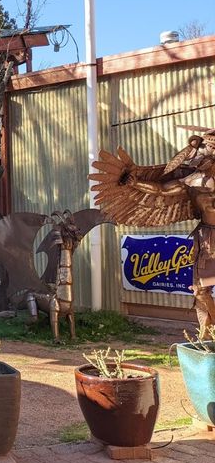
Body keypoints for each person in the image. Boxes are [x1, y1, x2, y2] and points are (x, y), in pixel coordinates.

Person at [91, 130, 215, 333]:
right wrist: (135, 182)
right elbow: (162, 189)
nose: (200, 155)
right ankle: (207, 332)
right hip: (206, 237)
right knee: (200, 291)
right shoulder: (192, 180)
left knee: (201, 290)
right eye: (202, 149)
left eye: (207, 150)